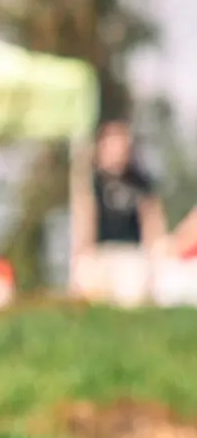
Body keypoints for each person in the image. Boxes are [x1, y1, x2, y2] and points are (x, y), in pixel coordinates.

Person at [72, 116, 171, 306]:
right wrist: (82, 254)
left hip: (130, 253)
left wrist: (155, 259)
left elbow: (152, 222)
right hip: (101, 252)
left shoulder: (141, 182)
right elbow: (85, 220)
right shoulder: (93, 182)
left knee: (130, 294)